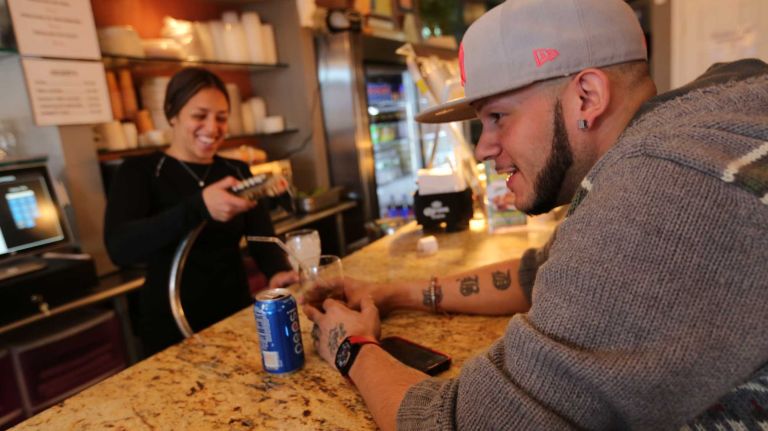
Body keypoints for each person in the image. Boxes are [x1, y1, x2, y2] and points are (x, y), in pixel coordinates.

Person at [303, 0, 768, 429]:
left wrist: (351, 347)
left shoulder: (663, 188)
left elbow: (467, 424)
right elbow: (538, 272)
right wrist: (390, 293)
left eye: (498, 117)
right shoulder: (698, 124)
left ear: (586, 96)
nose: (484, 148)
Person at [104, 67, 294, 356]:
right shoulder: (140, 172)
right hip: (171, 324)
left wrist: (277, 271)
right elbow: (119, 247)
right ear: (172, 114)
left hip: (234, 315)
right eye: (199, 115)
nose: (212, 127)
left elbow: (261, 238)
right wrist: (198, 206)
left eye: (221, 117)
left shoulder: (235, 170)